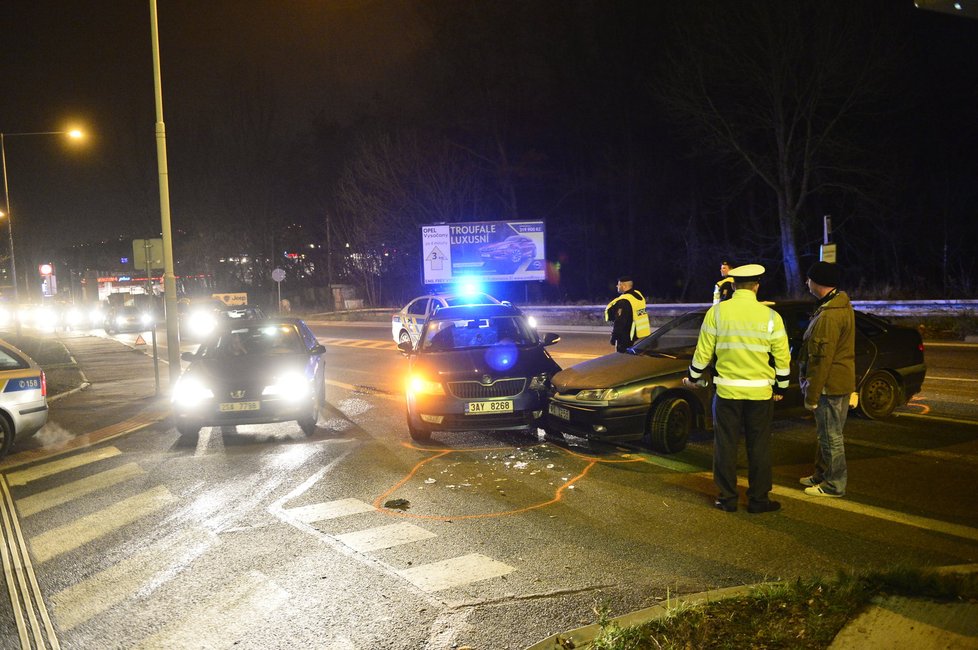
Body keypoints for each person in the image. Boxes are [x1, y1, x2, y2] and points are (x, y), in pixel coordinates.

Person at [683, 264, 791, 513]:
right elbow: (783, 358)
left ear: (732, 286)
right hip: (760, 394)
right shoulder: (771, 317)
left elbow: (703, 352)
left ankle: (727, 498)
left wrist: (693, 376)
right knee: (759, 446)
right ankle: (758, 500)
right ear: (756, 286)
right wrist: (782, 387)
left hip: (727, 393)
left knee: (725, 445)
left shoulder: (718, 313)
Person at [799, 261, 855, 498]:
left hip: (829, 387)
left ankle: (833, 484)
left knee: (831, 436)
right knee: (828, 434)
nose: (806, 283)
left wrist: (811, 396)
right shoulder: (838, 306)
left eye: (809, 279)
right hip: (839, 382)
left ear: (817, 282)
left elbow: (821, 360)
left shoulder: (828, 317)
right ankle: (822, 474)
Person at [605, 275, 651, 352]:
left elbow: (620, 321)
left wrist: (614, 337)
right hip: (637, 333)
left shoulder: (624, 301)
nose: (617, 286)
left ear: (624, 286)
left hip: (625, 336)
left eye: (619, 284)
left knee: (621, 358)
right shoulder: (637, 295)